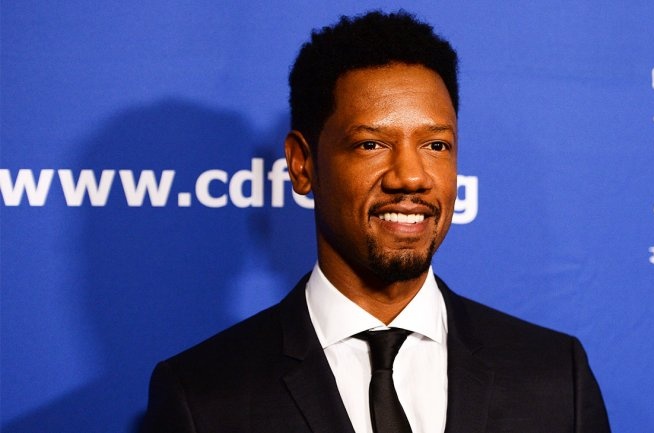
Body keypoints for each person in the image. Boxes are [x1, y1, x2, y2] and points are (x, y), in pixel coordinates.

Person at [143, 10, 610, 433]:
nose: (411, 176)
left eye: (436, 145)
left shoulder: (555, 378)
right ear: (302, 164)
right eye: (371, 144)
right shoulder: (203, 397)